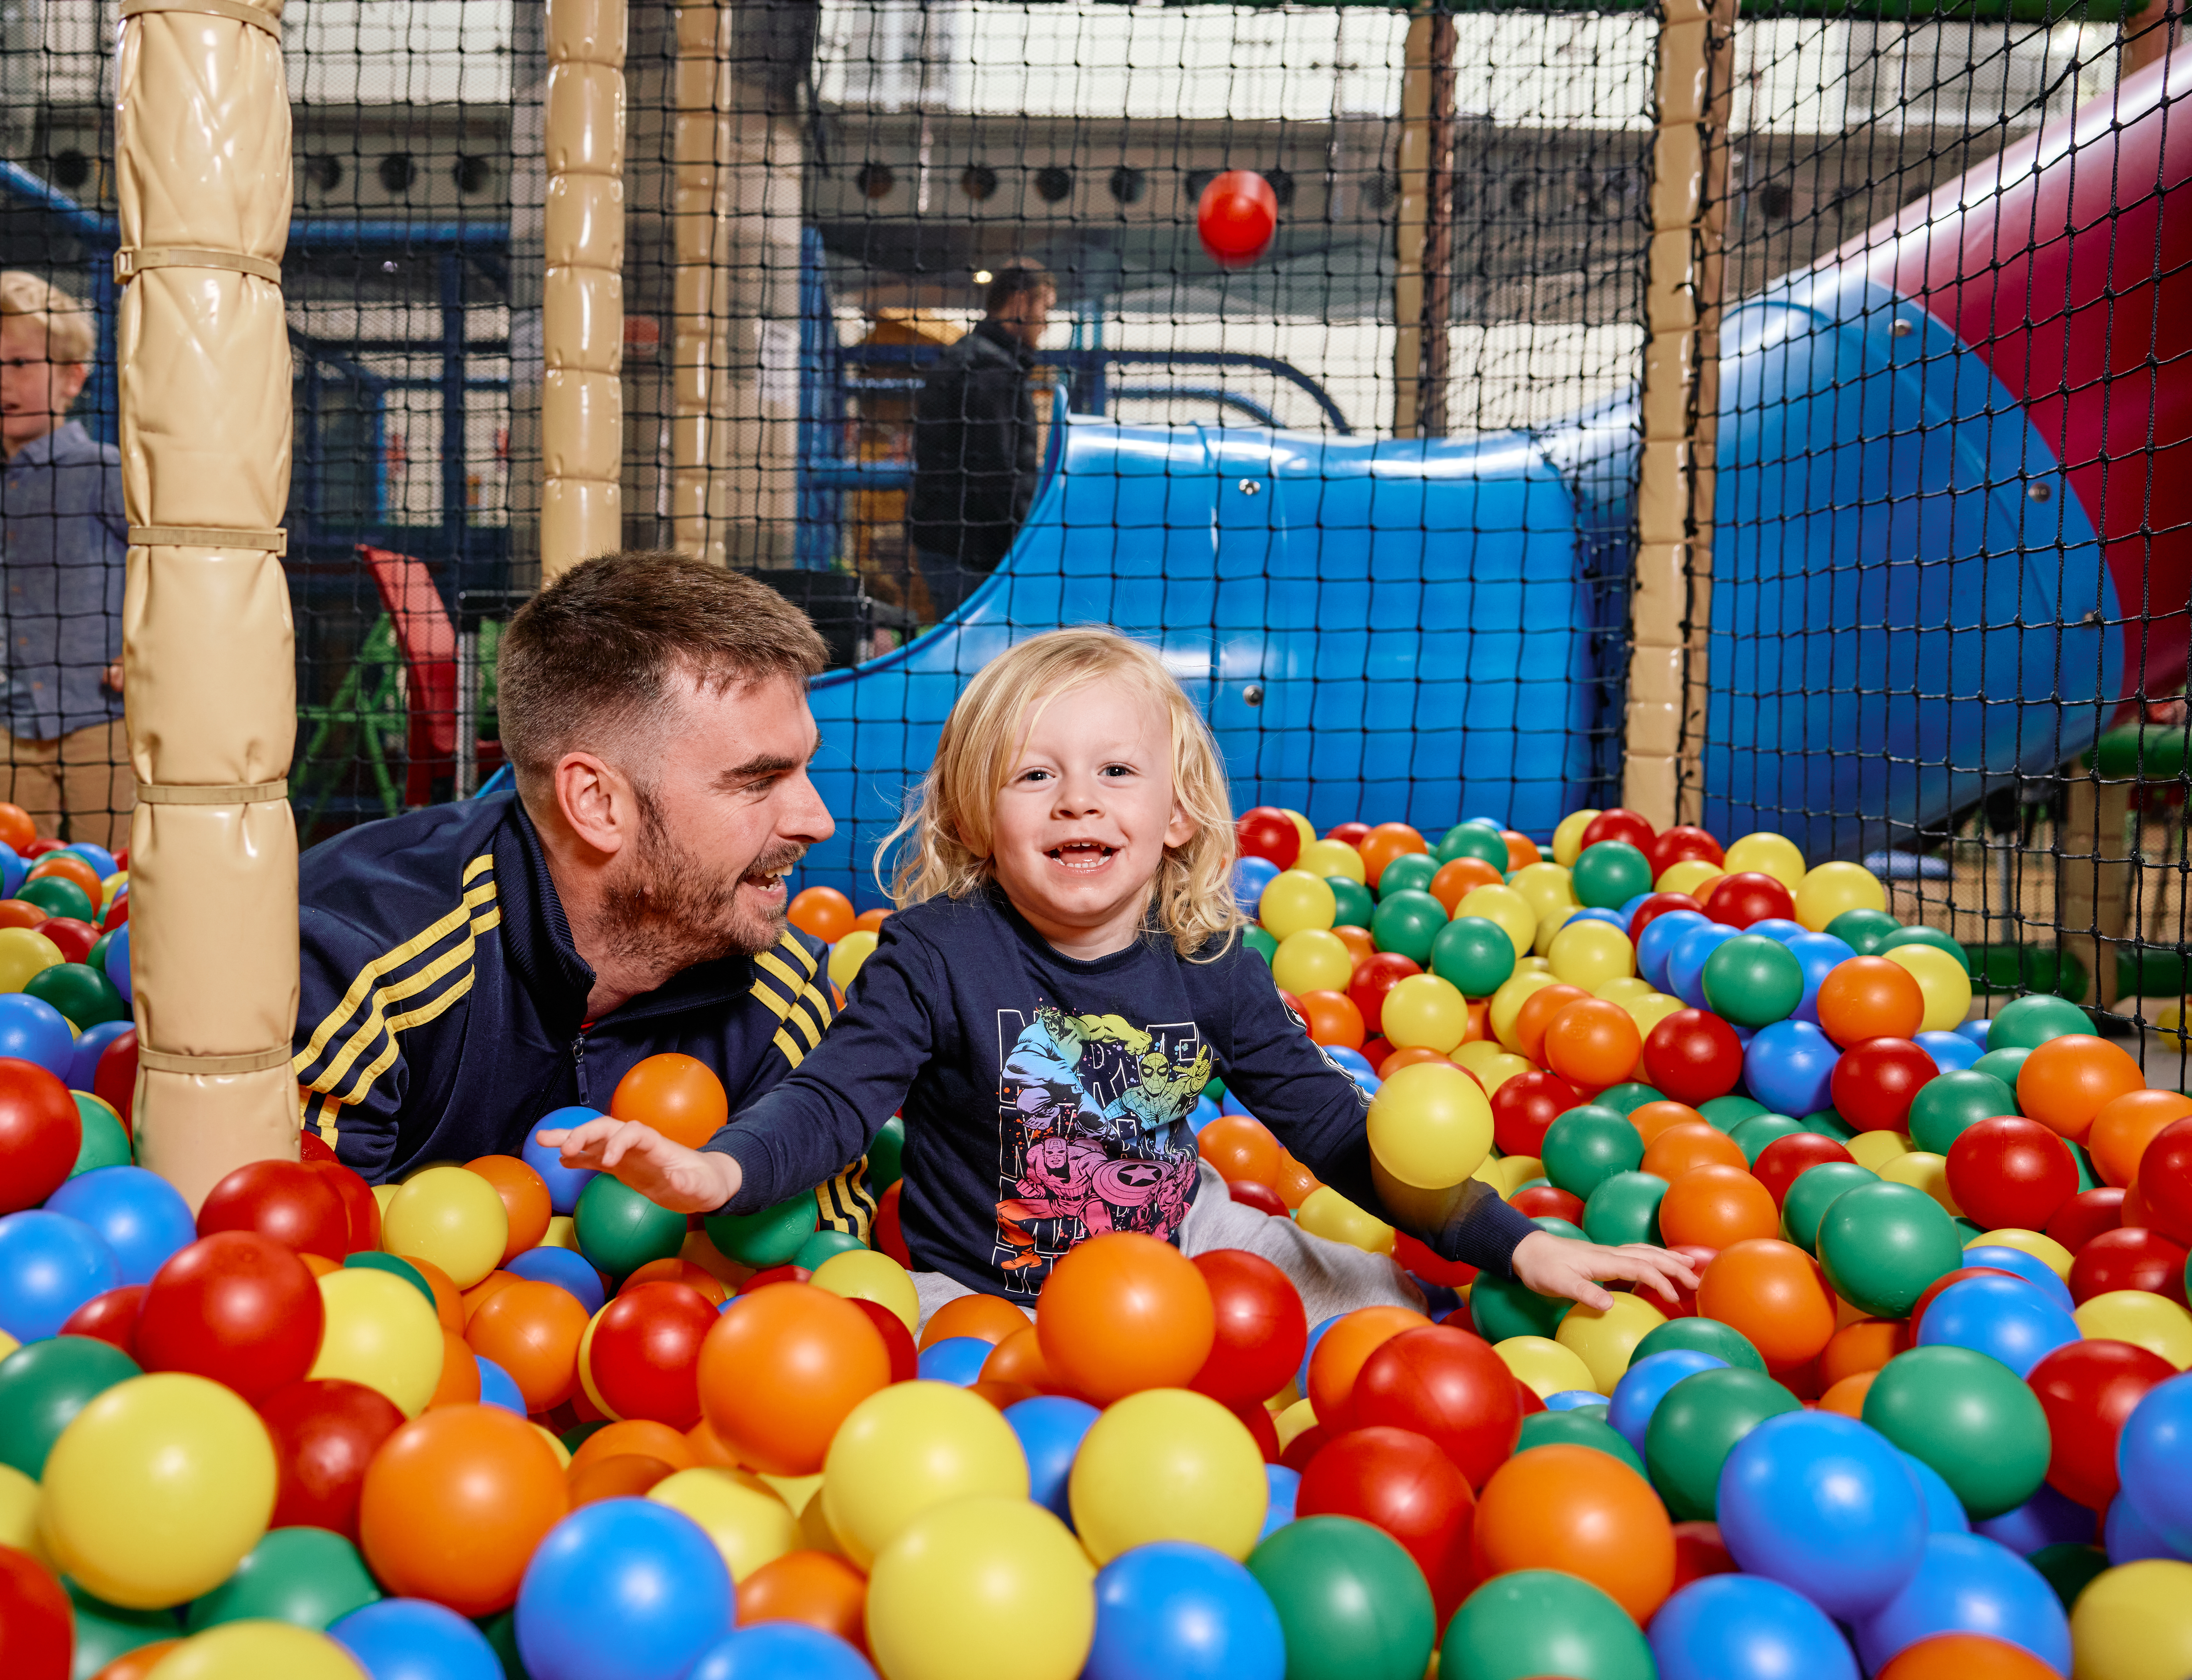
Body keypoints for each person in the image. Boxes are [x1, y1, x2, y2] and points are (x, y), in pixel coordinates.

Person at [546, 627, 1698, 1327]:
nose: (1076, 799)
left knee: (1387, 1307)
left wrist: (1514, 1241)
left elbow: (1338, 1133)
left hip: (1180, 1240)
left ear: (1176, 810)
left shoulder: (1211, 963)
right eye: (1033, 775)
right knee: (950, 1410)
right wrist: (714, 1169)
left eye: (1112, 769)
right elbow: (835, 1100)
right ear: (973, 816)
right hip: (984, 1290)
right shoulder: (932, 952)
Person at [292, 551, 876, 1239]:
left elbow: (829, 1279)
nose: (817, 820)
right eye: (757, 781)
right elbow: (303, 1278)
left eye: (805, 764)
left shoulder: (782, 993)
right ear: (598, 802)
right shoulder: (362, 966)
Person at [0, 271, 132, 850]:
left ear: (71, 379)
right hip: (17, 717)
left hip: (105, 714)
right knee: (3, 860)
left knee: (116, 869)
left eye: (18, 364)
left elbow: (159, 564)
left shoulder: (103, 470)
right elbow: (1, 571)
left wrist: (142, 649)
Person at [905, 264, 1056, 619]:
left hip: (950, 545)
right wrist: (1030, 547)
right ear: (1020, 303)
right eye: (1044, 309)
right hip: (971, 554)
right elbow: (1000, 474)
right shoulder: (989, 371)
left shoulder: (973, 358)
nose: (1046, 323)